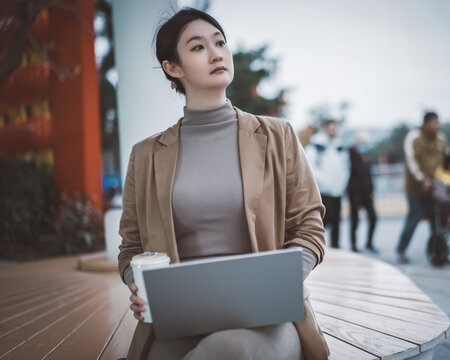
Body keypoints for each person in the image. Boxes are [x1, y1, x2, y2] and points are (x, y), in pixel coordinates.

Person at [117, 8, 329, 360]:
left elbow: (309, 228)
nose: (216, 53)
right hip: (178, 320)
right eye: (198, 47)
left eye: (220, 42)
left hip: (266, 320)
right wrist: (136, 282)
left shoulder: (279, 137)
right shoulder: (146, 156)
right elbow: (131, 247)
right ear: (173, 68)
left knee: (230, 350)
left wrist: (281, 282)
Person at [396, 112, 447, 264]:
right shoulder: (414, 137)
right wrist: (422, 179)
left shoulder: (441, 139)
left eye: (438, 122)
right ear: (425, 123)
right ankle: (401, 249)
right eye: (433, 123)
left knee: (436, 219)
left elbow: (445, 160)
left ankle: (437, 250)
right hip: (416, 189)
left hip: (435, 188)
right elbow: (411, 161)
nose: (437, 126)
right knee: (414, 218)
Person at [305, 119, 349, 248]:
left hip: (337, 192)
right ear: (325, 129)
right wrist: (323, 183)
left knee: (336, 223)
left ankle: (336, 249)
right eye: (331, 128)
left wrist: (341, 184)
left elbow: (345, 168)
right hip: (323, 193)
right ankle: (317, 249)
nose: (333, 131)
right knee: (321, 224)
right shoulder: (315, 146)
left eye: (335, 128)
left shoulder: (339, 147)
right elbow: (310, 167)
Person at [347, 131, 378, 253]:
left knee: (373, 217)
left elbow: (369, 174)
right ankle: (353, 245)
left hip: (367, 193)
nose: (363, 145)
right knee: (355, 220)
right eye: (361, 143)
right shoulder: (349, 155)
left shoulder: (366, 155)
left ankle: (369, 243)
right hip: (354, 193)